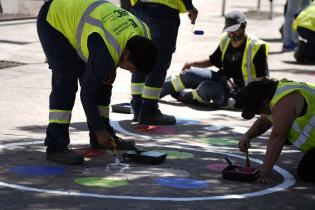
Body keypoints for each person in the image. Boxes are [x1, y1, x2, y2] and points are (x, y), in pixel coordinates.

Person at [37, 0, 158, 165]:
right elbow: (86, 93)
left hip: (82, 19)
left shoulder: (144, 33)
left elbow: (113, 48)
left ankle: (102, 138)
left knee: (104, 80)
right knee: (66, 82)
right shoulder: (108, 52)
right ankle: (56, 146)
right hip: (53, 21)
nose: (130, 70)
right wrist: (100, 130)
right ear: (127, 53)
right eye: (131, 66)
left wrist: (113, 65)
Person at [160, 11, 269, 109]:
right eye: (228, 30)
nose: (231, 34)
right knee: (188, 74)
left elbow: (263, 78)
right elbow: (213, 60)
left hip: (240, 91)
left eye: (234, 30)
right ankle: (152, 94)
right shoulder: (226, 39)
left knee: (207, 88)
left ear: (243, 26)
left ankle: (185, 96)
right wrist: (192, 63)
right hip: (222, 79)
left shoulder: (256, 47)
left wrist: (247, 95)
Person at [129, 0, 198, 125]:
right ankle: (149, 110)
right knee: (158, 61)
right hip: (162, 11)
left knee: (139, 55)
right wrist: (190, 7)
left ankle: (138, 107)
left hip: (138, 7)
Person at [239, 78, 315, 184]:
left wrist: (265, 173)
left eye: (257, 111)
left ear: (265, 103)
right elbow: (265, 121)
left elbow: (277, 137)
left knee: (307, 172)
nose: (259, 114)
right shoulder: (275, 94)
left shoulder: (284, 101)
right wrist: (247, 136)